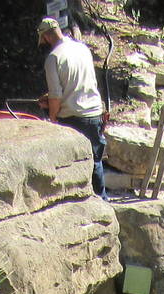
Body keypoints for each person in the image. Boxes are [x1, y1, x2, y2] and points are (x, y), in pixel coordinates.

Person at [38, 17, 106, 199]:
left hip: (74, 118)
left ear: (45, 37)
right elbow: (79, 82)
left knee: (71, 164)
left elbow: (56, 96)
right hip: (94, 113)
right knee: (95, 161)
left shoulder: (53, 58)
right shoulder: (82, 48)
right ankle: (104, 202)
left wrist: (52, 119)